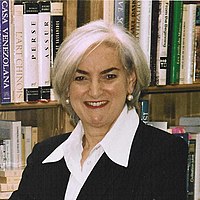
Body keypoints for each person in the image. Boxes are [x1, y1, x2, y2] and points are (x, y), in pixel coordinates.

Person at [10, 20, 188, 200]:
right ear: (66, 88)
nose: (95, 91)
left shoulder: (163, 154)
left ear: (130, 81)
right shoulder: (44, 154)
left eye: (109, 76)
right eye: (81, 78)